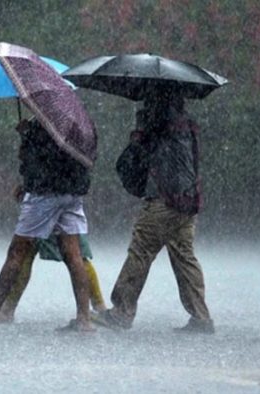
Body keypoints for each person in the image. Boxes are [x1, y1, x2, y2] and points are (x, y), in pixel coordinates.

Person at [0, 117, 94, 333]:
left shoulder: (44, 124)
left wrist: (27, 137)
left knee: (17, 252)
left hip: (45, 194)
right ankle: (84, 319)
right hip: (74, 193)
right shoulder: (81, 123)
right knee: (74, 254)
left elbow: (36, 160)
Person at [93, 90, 214, 334]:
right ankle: (201, 317)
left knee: (141, 250)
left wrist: (140, 131)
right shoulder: (187, 124)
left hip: (164, 200)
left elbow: (136, 158)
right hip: (188, 199)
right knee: (184, 256)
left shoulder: (158, 125)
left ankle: (121, 312)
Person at [0, 233, 107, 325]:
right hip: (60, 209)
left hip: (44, 210)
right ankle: (98, 308)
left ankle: (7, 310)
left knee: (26, 250)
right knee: (76, 253)